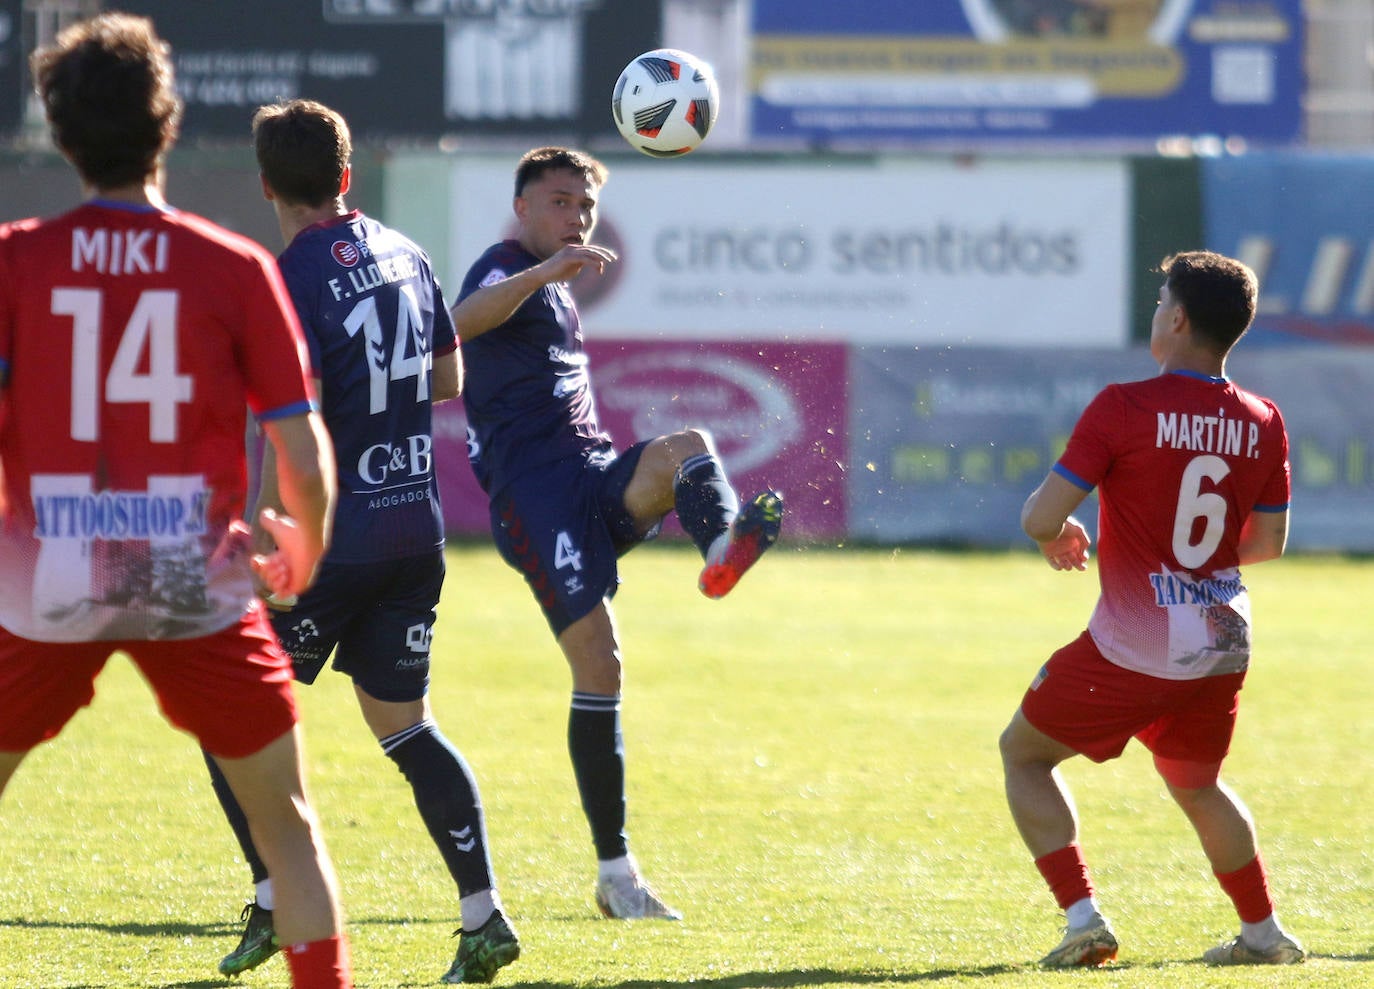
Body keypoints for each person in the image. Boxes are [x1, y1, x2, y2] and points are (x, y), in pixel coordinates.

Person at [0, 14, 353, 989]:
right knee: (287, 827)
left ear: (62, 132)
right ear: (167, 123)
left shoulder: (14, 260)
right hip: (191, 574)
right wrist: (307, 544)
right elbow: (300, 445)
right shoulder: (234, 267)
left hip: (44, 577)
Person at [203, 99, 519, 985]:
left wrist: (271, 544)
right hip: (415, 526)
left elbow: (285, 427)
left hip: (333, 541)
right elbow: (449, 375)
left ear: (267, 184)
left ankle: (272, 897)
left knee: (231, 720)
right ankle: (482, 914)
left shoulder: (284, 278)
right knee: (406, 727)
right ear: (347, 174)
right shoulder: (406, 250)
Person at [451, 146, 783, 921]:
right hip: (535, 501)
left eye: (585, 206)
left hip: (590, 474)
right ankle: (617, 874)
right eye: (561, 201)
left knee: (687, 446)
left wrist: (551, 280)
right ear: (524, 207)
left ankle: (720, 551)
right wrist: (540, 276)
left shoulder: (560, 291)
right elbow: (456, 325)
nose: (576, 217)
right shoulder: (502, 267)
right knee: (600, 667)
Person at [998, 250, 1304, 968]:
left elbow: (1041, 517)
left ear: (1177, 318)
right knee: (1196, 783)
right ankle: (1263, 934)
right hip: (1225, 635)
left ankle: (1083, 918)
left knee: (1024, 753)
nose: (1156, 310)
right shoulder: (1264, 417)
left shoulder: (1123, 405)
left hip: (1137, 642)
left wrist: (1061, 535)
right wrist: (1191, 564)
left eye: (1161, 297)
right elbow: (1267, 541)